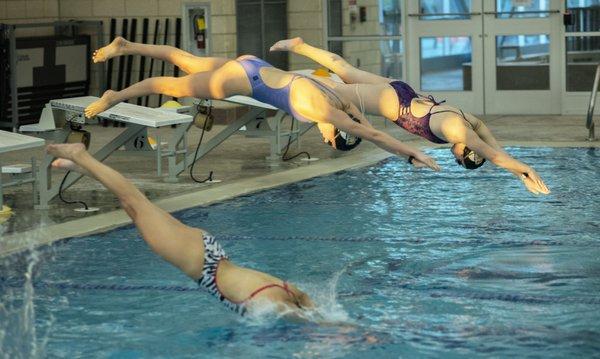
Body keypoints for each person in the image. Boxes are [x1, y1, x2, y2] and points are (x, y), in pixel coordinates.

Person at [86, 37, 440, 171]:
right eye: (330, 138)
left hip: (255, 65)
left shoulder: (340, 96)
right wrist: (412, 154)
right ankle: (114, 96)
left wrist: (411, 149)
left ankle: (126, 46)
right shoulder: (324, 111)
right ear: (333, 133)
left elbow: (365, 122)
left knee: (185, 60)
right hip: (243, 80)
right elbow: (372, 135)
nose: (326, 136)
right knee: (172, 84)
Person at [46, 142, 313, 317]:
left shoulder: (287, 291)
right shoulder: (272, 304)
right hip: (201, 263)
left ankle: (80, 166)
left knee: (136, 206)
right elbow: (310, 322)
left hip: (211, 253)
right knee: (135, 203)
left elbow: (307, 302)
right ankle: (80, 155)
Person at [270, 38, 550, 195]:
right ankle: (275, 80)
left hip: (403, 92)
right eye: (460, 158)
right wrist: (523, 170)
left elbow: (491, 144)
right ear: (468, 151)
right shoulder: (457, 130)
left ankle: (300, 47)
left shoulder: (468, 120)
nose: (454, 156)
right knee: (332, 89)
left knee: (343, 70)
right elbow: (494, 154)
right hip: (394, 104)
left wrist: (514, 167)